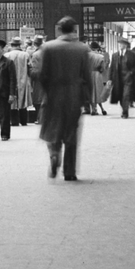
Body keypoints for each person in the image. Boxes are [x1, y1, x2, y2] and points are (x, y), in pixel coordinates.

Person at [36, 16, 92, 181]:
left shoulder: (48, 47)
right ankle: (69, 172)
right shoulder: (82, 49)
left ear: (59, 29)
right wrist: (87, 100)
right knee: (71, 133)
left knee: (53, 128)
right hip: (74, 96)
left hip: (53, 95)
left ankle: (54, 153)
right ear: (74, 30)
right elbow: (86, 76)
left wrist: (47, 92)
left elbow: (42, 75)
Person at [109, 39, 135, 118]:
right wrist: (109, 79)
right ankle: (124, 109)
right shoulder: (115, 55)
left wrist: (131, 72)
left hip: (128, 79)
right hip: (118, 79)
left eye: (121, 44)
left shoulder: (132, 54)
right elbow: (112, 68)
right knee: (120, 95)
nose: (120, 46)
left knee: (126, 94)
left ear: (125, 45)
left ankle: (125, 112)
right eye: (119, 44)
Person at [4, 38, 31, 126]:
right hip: (23, 80)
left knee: (12, 101)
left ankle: (14, 121)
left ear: (11, 45)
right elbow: (30, 68)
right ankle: (24, 121)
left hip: (10, 81)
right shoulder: (25, 54)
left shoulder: (7, 55)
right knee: (23, 101)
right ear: (19, 45)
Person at [87, 42, 109, 116]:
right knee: (97, 91)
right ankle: (101, 109)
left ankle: (93, 108)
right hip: (97, 74)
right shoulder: (100, 56)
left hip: (89, 74)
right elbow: (102, 68)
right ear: (97, 48)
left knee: (91, 91)